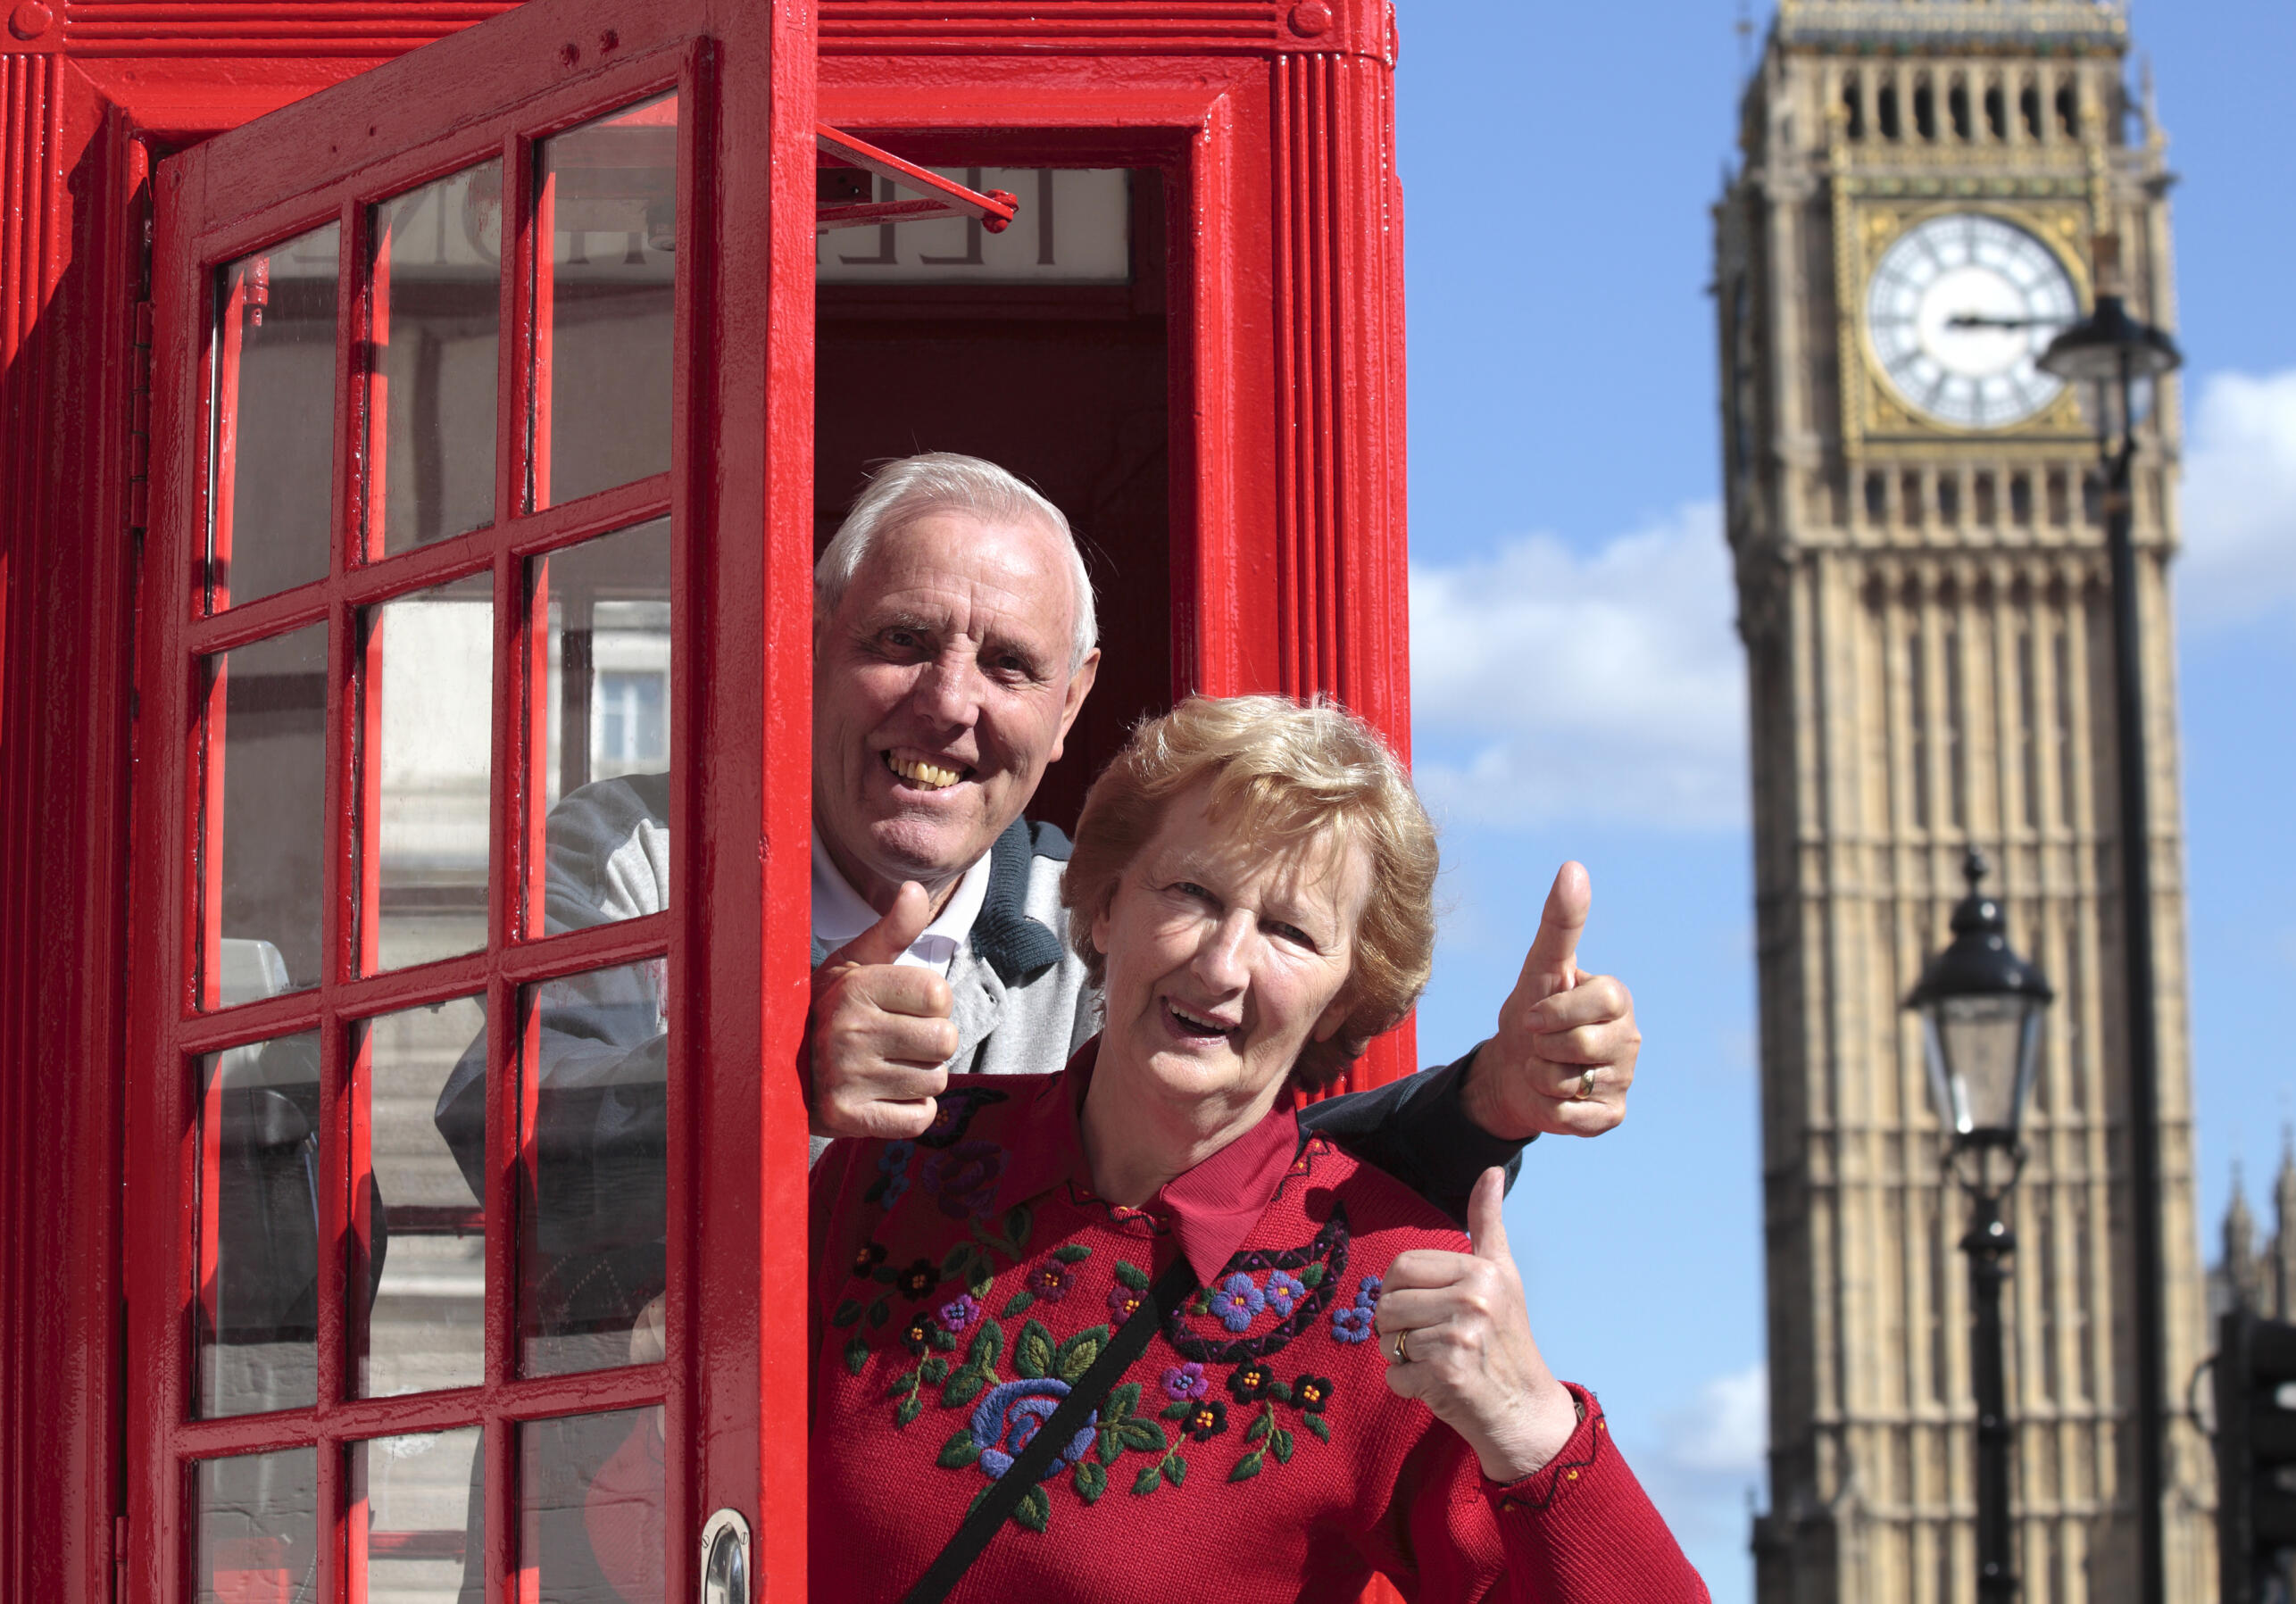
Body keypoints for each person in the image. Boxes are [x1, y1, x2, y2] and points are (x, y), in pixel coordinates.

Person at [439, 453, 1643, 1251]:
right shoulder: (637, 856)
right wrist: (770, 1074)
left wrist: (1485, 1106)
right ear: (806, 642)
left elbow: (1255, 1185)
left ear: (1073, 706)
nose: (950, 702)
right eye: (903, 640)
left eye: (1010, 665)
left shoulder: (1108, 924)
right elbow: (495, 1136)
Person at [807, 694, 1704, 1603]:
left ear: (1348, 994)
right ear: (1108, 903)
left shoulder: (1387, 1293)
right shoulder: (894, 1162)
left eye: (1289, 930)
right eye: (1190, 892)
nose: (1222, 962)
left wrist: (1531, 1421)